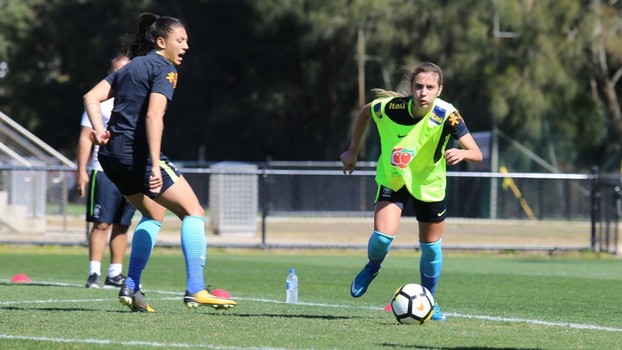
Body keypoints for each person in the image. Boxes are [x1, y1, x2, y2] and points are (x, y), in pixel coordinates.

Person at [83, 13, 236, 312]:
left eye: (187, 40)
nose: (186, 46)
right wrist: (154, 165)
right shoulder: (164, 68)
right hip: (136, 153)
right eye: (181, 40)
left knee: (153, 215)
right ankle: (195, 288)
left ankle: (130, 285)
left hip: (111, 156)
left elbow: (91, 96)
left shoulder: (130, 66)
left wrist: (99, 130)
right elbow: (155, 116)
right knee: (194, 210)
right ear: (162, 41)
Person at [340, 62, 482, 321]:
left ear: (439, 90)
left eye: (430, 87)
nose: (423, 93)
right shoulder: (392, 108)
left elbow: (477, 153)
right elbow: (365, 112)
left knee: (430, 248)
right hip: (394, 178)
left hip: (428, 184)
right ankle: (372, 267)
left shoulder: (447, 115)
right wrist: (352, 151)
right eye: (418, 87)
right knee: (382, 237)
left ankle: (429, 301)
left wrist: (462, 152)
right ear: (411, 89)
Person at [77, 53, 135, 289]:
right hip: (103, 170)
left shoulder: (137, 101)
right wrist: (82, 170)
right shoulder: (100, 101)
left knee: (122, 224)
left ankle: (115, 273)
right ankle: (94, 273)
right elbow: (84, 138)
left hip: (131, 171)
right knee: (101, 223)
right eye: (117, 72)